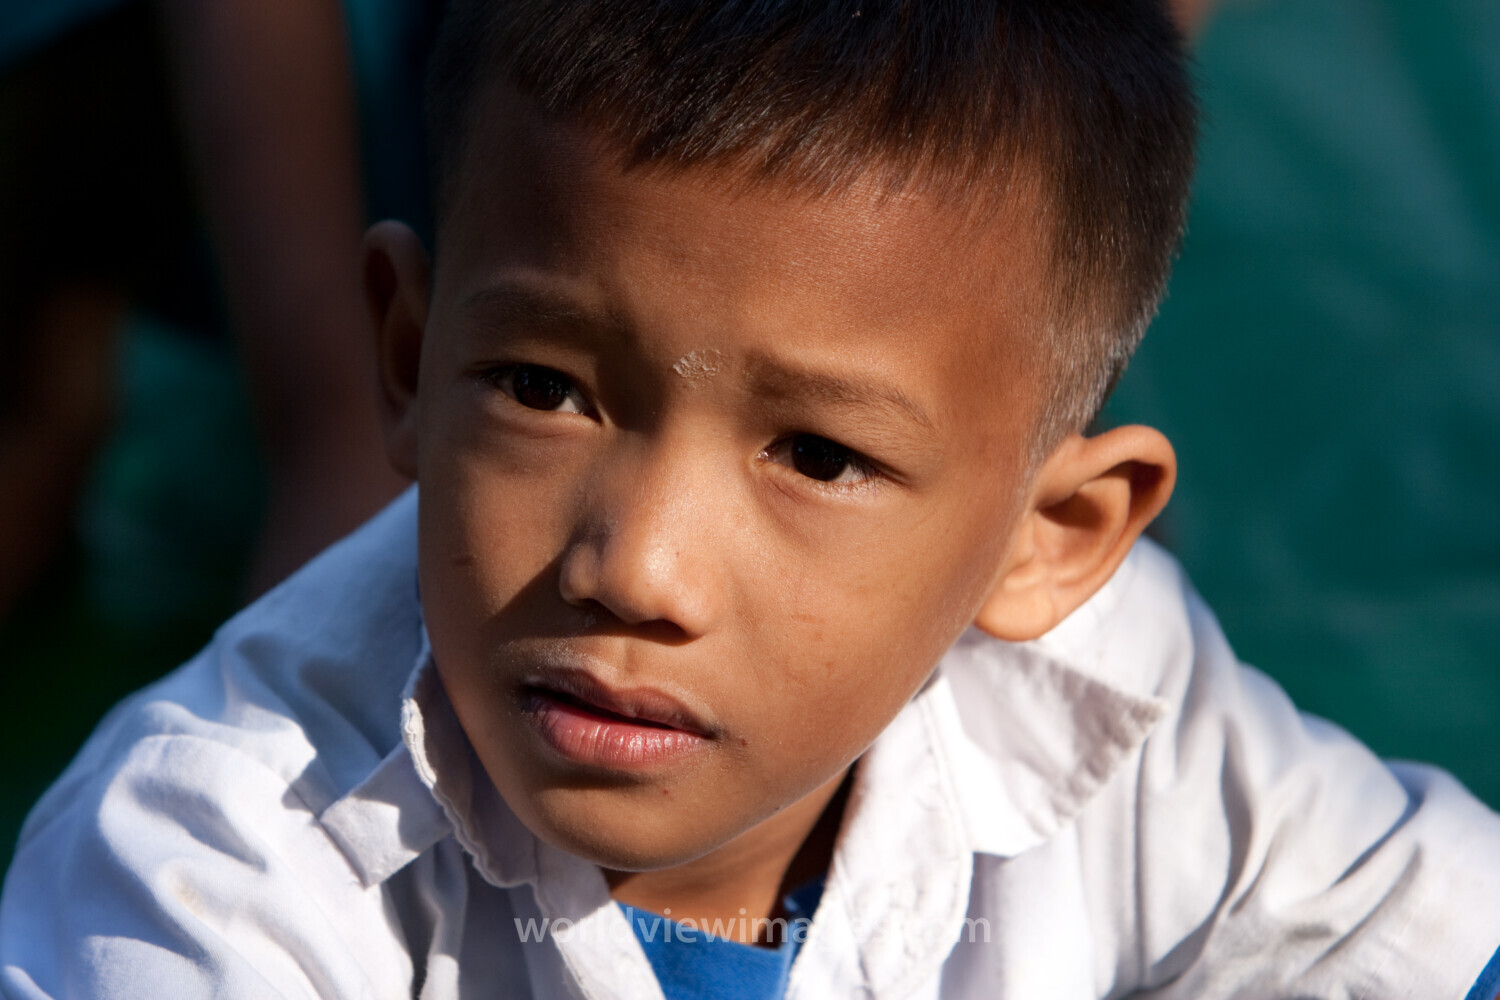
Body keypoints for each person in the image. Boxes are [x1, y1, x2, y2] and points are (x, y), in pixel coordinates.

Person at [4, 1, 1499, 996]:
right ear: (407, 354)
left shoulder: (1109, 704)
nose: (636, 568)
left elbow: (1421, 930)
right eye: (541, 387)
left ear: (1054, 541)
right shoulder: (207, 866)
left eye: (822, 459)